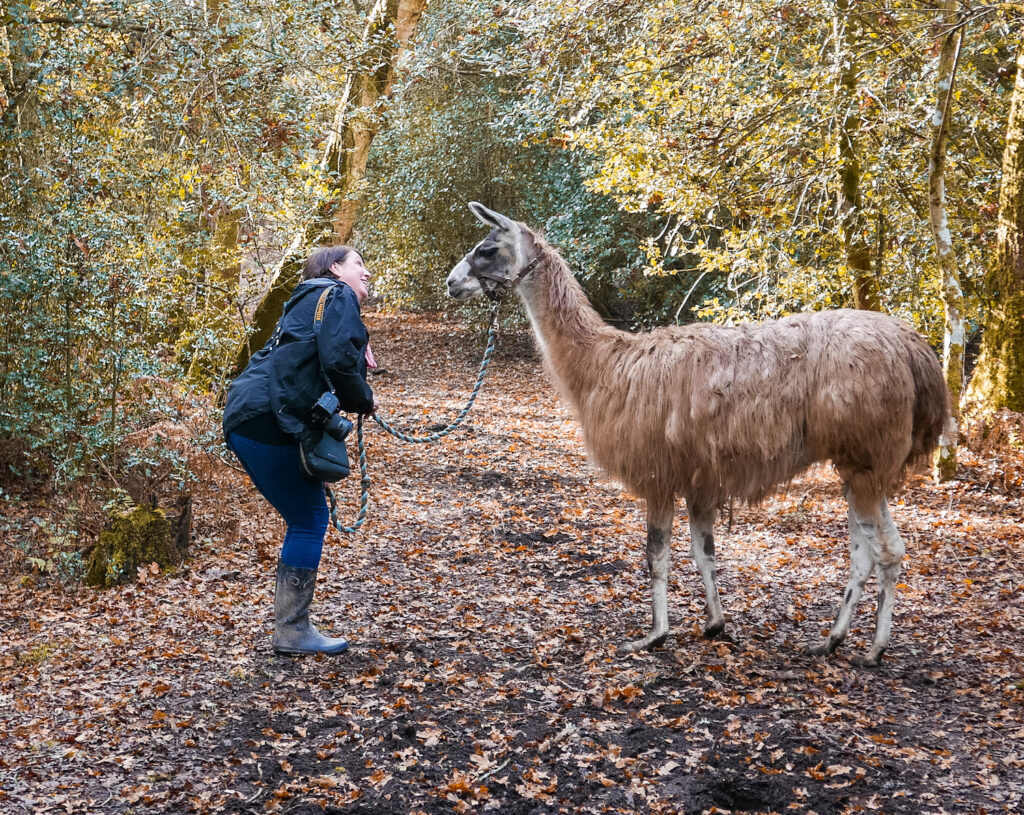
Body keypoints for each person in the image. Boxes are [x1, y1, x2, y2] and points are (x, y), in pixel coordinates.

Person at [223, 246, 374, 655]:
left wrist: (357, 353)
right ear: (335, 268)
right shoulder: (336, 295)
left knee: (306, 515)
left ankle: (293, 629)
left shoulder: (307, 303)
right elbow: (340, 362)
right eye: (358, 263)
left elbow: (323, 356)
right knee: (309, 518)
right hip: (263, 418)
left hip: (246, 414)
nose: (366, 271)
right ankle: (292, 631)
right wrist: (365, 399)